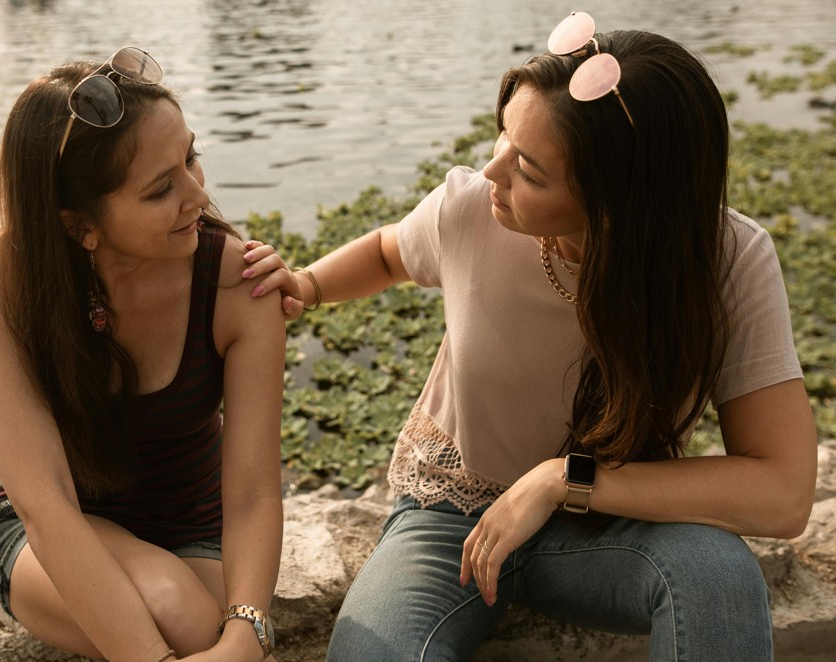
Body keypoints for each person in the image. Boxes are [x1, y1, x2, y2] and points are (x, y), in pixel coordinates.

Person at [241, 12, 818, 661]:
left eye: (530, 171)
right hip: (448, 521)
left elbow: (782, 491)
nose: (491, 171)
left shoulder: (726, 261)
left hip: (611, 526)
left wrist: (559, 480)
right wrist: (308, 286)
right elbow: (386, 253)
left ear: (618, 204)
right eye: (502, 139)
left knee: (716, 575)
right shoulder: (467, 210)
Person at [0, 47, 285, 662]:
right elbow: (44, 502)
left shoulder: (238, 281)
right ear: (81, 226)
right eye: (161, 190)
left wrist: (247, 634)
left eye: (191, 157)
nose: (196, 195)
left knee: (206, 632)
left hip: (200, 531)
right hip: (51, 538)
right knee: (176, 615)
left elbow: (254, 494)